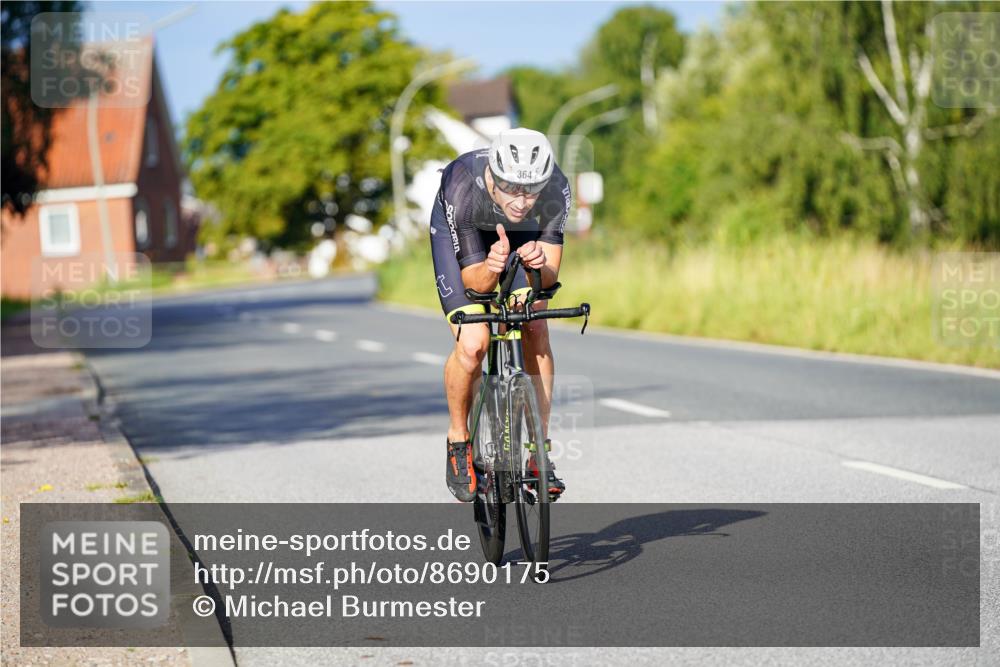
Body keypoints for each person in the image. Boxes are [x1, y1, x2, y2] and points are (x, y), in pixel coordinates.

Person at [428, 127, 571, 502]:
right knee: (474, 344)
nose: (522, 201)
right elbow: (474, 284)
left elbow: (549, 275)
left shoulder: (556, 188)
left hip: (522, 241)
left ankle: (538, 452)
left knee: (535, 325)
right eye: (511, 188)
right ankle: (458, 438)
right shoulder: (462, 184)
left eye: (532, 190)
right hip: (468, 243)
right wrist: (492, 266)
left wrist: (538, 265)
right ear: (493, 175)